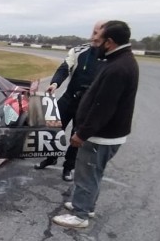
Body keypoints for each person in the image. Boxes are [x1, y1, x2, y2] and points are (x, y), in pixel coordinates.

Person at [51, 20, 140, 228]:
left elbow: (103, 107)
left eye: (97, 38)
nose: (93, 41)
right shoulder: (121, 60)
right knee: (93, 172)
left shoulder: (117, 67)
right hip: (107, 133)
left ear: (109, 42)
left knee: (87, 172)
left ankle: (80, 215)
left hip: (101, 135)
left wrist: (82, 133)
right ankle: (85, 205)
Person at [34, 20, 107, 181]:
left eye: (99, 33)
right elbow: (64, 68)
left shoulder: (110, 57)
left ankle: (68, 166)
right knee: (53, 128)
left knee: (77, 135)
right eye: (94, 32)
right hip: (69, 98)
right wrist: (54, 83)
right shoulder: (79, 50)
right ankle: (50, 157)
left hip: (88, 105)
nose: (95, 36)